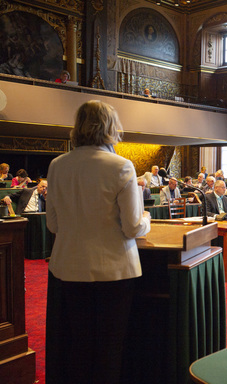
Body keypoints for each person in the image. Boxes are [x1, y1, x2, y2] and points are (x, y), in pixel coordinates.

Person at [45, 100, 151, 384]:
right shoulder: (121, 166)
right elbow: (132, 228)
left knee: (79, 346)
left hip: (69, 268)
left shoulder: (57, 165)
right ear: (110, 127)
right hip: (114, 271)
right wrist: (147, 219)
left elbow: (52, 224)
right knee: (109, 349)